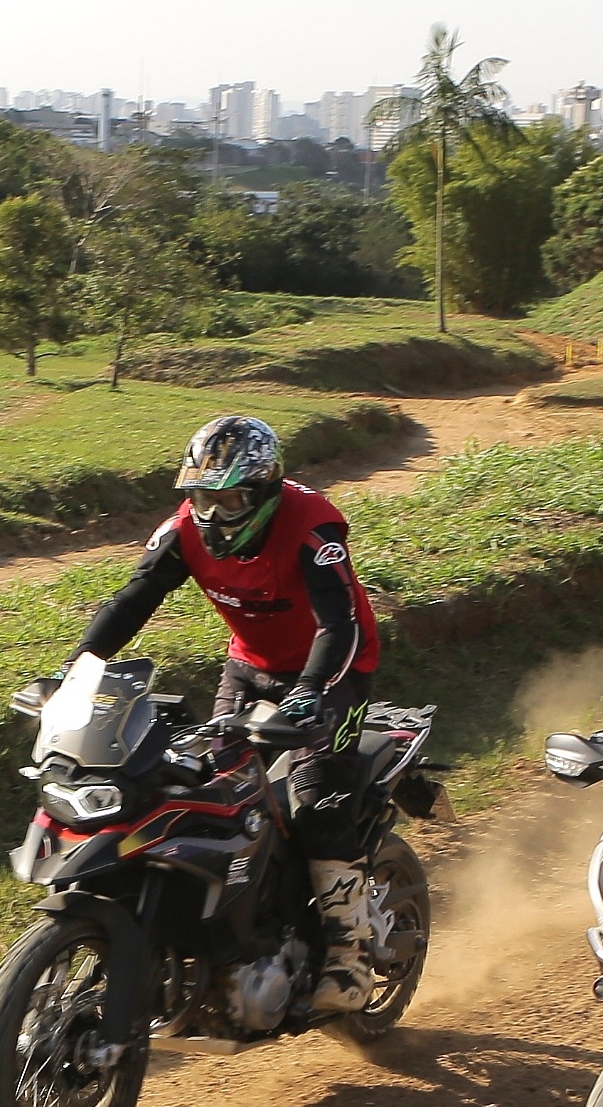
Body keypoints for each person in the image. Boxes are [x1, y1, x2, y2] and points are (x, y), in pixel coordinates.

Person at [75, 414, 382, 1014]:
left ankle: (352, 953)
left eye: (230, 497)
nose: (213, 511)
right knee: (212, 790)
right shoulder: (182, 531)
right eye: (201, 495)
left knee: (318, 800)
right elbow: (134, 598)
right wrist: (81, 664)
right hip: (249, 666)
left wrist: (312, 692)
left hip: (334, 671)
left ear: (265, 492)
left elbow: (338, 623)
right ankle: (236, 925)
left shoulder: (310, 526)